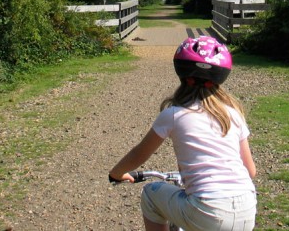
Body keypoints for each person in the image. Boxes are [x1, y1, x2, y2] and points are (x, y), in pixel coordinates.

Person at [109, 36, 257, 231]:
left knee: (151, 194)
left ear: (181, 73)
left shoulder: (174, 114)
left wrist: (117, 173)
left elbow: (140, 153)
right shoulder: (233, 113)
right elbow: (250, 171)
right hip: (246, 209)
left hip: (207, 210)